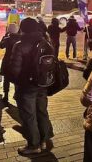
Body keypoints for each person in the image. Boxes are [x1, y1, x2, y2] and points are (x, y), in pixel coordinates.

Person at [10, 18, 54, 155]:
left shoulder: (20, 44)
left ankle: (34, 145)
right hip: (42, 84)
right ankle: (44, 139)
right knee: (41, 111)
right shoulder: (46, 42)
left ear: (22, 29)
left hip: (26, 86)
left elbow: (14, 70)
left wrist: (15, 80)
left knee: (29, 116)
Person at [0, 23, 21, 104]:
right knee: (17, 79)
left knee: (6, 79)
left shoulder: (7, 38)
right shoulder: (21, 38)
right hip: (18, 60)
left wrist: (5, 36)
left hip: (8, 60)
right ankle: (17, 94)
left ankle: (6, 95)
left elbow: (0, 46)